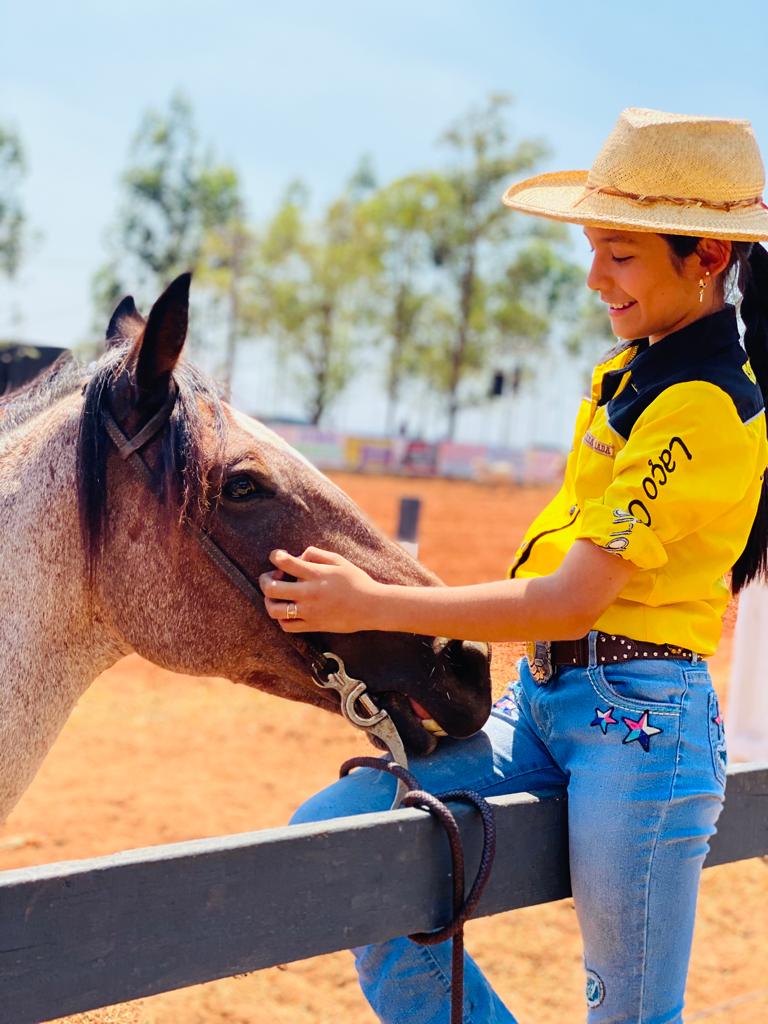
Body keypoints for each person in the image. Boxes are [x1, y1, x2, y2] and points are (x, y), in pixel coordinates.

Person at [258, 108, 768, 1023]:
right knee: (342, 847)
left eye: (620, 254)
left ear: (708, 258)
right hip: (539, 703)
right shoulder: (634, 375)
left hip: (641, 727)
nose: (594, 277)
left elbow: (572, 600)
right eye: (593, 250)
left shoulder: (703, 408)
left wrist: (372, 602)